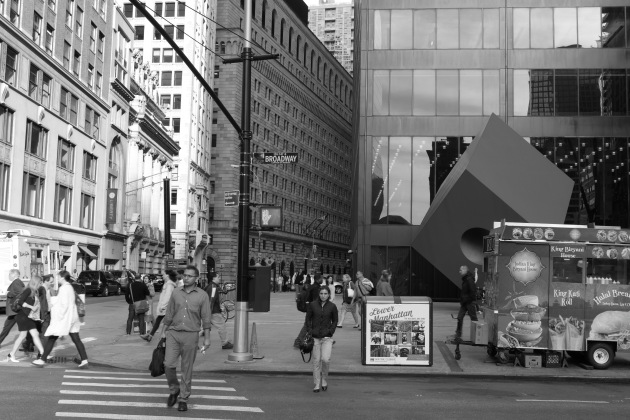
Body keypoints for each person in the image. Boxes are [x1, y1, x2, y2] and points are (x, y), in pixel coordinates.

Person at [161, 265, 211, 412]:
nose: (186, 278)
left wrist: (206, 339)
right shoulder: (176, 292)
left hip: (191, 335)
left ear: (197, 278)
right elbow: (169, 313)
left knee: (186, 368)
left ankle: (183, 398)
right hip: (173, 333)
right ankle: (174, 389)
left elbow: (206, 319)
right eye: (184, 275)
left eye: (189, 276)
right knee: (168, 364)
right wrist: (163, 331)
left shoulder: (202, 295)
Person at [33, 270, 88, 368]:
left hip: (65, 318)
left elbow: (63, 305)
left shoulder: (63, 289)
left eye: (58, 277)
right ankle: (84, 360)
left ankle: (42, 359)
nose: (57, 279)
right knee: (76, 339)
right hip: (72, 317)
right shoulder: (70, 287)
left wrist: (54, 305)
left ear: (62, 277)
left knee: (52, 337)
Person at [3, 276, 45, 363]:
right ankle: (42, 354)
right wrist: (32, 307)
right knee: (33, 334)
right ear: (36, 282)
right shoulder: (28, 290)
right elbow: (20, 302)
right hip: (23, 316)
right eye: (40, 283)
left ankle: (11, 354)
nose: (41, 284)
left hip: (27, 316)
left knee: (25, 335)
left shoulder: (34, 291)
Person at [305, 287, 338, 392]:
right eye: (321, 293)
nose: (323, 295)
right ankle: (317, 383)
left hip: (327, 338)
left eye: (325, 293)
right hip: (315, 338)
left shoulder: (332, 306)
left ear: (329, 295)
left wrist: (330, 331)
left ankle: (324, 379)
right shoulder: (313, 305)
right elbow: (307, 319)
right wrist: (310, 331)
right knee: (316, 360)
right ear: (318, 294)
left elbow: (335, 321)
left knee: (325, 359)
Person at [141, 270, 177, 342]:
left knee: (166, 323)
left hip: (166, 307)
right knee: (159, 321)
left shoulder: (169, 285)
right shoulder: (168, 284)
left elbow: (167, 296)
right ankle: (150, 336)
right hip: (167, 307)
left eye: (163, 275)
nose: (162, 276)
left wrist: (163, 306)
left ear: (167, 275)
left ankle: (156, 337)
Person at [22, 274, 53, 352]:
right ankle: (41, 353)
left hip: (41, 315)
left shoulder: (46, 289)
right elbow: (42, 304)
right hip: (40, 315)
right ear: (45, 281)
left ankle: (31, 346)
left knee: (36, 333)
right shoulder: (41, 289)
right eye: (51, 282)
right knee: (42, 334)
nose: (52, 283)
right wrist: (42, 316)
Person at [203, 276, 233, 350]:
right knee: (221, 326)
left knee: (201, 328)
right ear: (213, 278)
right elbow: (211, 300)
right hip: (213, 311)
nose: (219, 278)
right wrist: (209, 312)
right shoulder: (213, 287)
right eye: (218, 277)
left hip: (208, 310)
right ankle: (225, 343)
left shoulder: (210, 286)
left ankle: (189, 342)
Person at [294, 273, 323, 347]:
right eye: (321, 278)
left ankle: (323, 339)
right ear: (318, 279)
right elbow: (315, 300)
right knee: (307, 325)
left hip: (310, 308)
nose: (322, 280)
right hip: (313, 310)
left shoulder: (312, 286)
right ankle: (298, 341)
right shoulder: (316, 288)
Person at [0, 269, 24, 348]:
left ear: (14, 275)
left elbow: (21, 292)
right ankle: (29, 344)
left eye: (9, 275)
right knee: (26, 329)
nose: (8, 276)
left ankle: (29, 344)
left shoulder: (16, 282)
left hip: (14, 310)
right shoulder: (18, 282)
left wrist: (9, 293)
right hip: (16, 311)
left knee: (6, 328)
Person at [455, 265, 478, 340]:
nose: (459, 272)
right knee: (459, 317)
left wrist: (469, 300)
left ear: (465, 270)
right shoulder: (465, 279)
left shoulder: (469, 279)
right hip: (464, 302)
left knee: (473, 318)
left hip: (469, 302)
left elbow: (473, 291)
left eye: (461, 270)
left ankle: (477, 335)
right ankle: (458, 334)